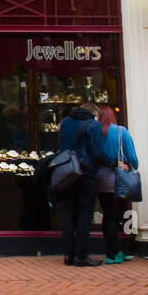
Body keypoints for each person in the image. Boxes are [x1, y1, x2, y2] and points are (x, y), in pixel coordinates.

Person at [57, 99, 106, 267]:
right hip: (85, 172)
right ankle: (82, 255)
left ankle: (68, 255)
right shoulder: (93, 125)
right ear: (94, 113)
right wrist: (111, 162)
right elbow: (97, 152)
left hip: (68, 172)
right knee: (85, 214)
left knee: (69, 212)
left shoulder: (65, 122)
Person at [97, 106, 139, 264]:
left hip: (100, 179)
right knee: (115, 216)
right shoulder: (121, 131)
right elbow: (133, 158)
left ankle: (113, 251)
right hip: (118, 178)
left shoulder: (96, 133)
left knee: (107, 215)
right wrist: (130, 164)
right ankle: (112, 254)